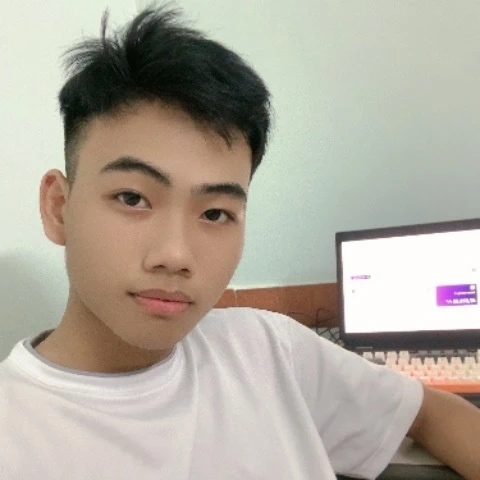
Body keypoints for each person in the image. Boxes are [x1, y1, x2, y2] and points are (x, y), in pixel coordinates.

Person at [0, 6, 479, 480]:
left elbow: (428, 412)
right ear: (58, 207)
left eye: (215, 213)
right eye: (132, 198)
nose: (176, 255)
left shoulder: (268, 350)